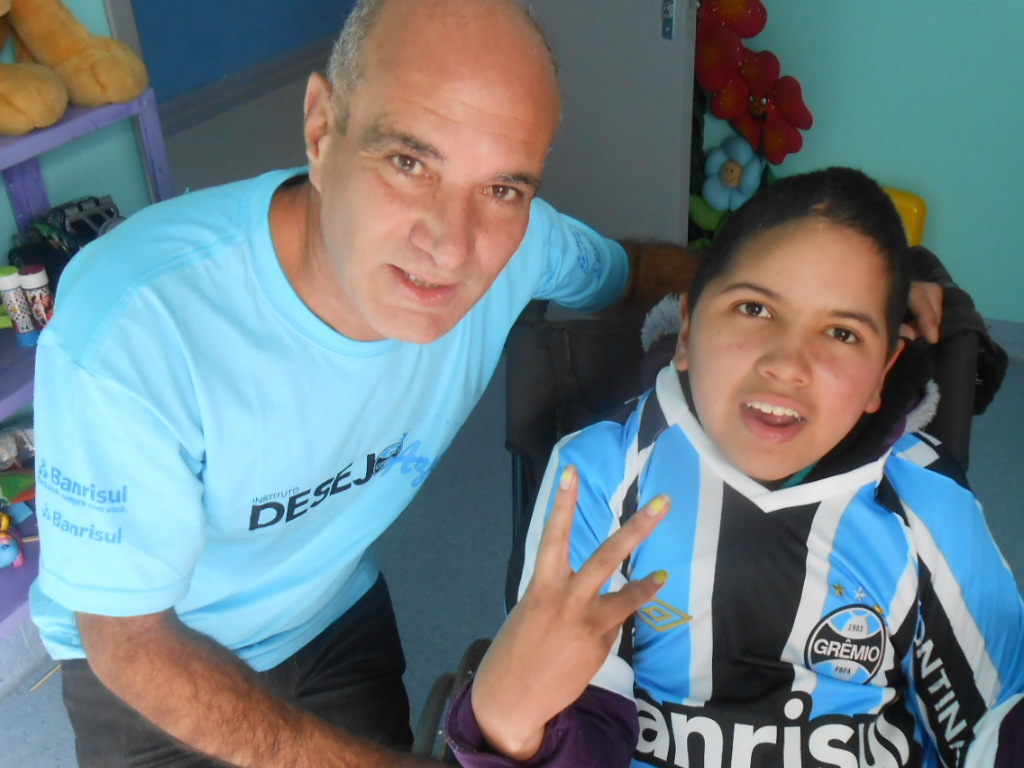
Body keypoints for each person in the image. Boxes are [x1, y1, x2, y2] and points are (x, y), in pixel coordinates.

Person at [29, 1, 628, 766]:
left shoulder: (522, 245)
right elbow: (126, 637)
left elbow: (631, 273)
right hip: (153, 652)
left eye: (503, 188)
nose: (450, 247)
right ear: (320, 130)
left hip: (329, 610)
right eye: (410, 161)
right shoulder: (135, 326)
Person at [446, 167, 1024, 767]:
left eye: (842, 332)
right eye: (755, 308)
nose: (788, 363)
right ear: (690, 327)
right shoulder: (600, 476)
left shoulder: (924, 500)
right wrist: (511, 724)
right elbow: (562, 712)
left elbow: (993, 725)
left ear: (884, 374)